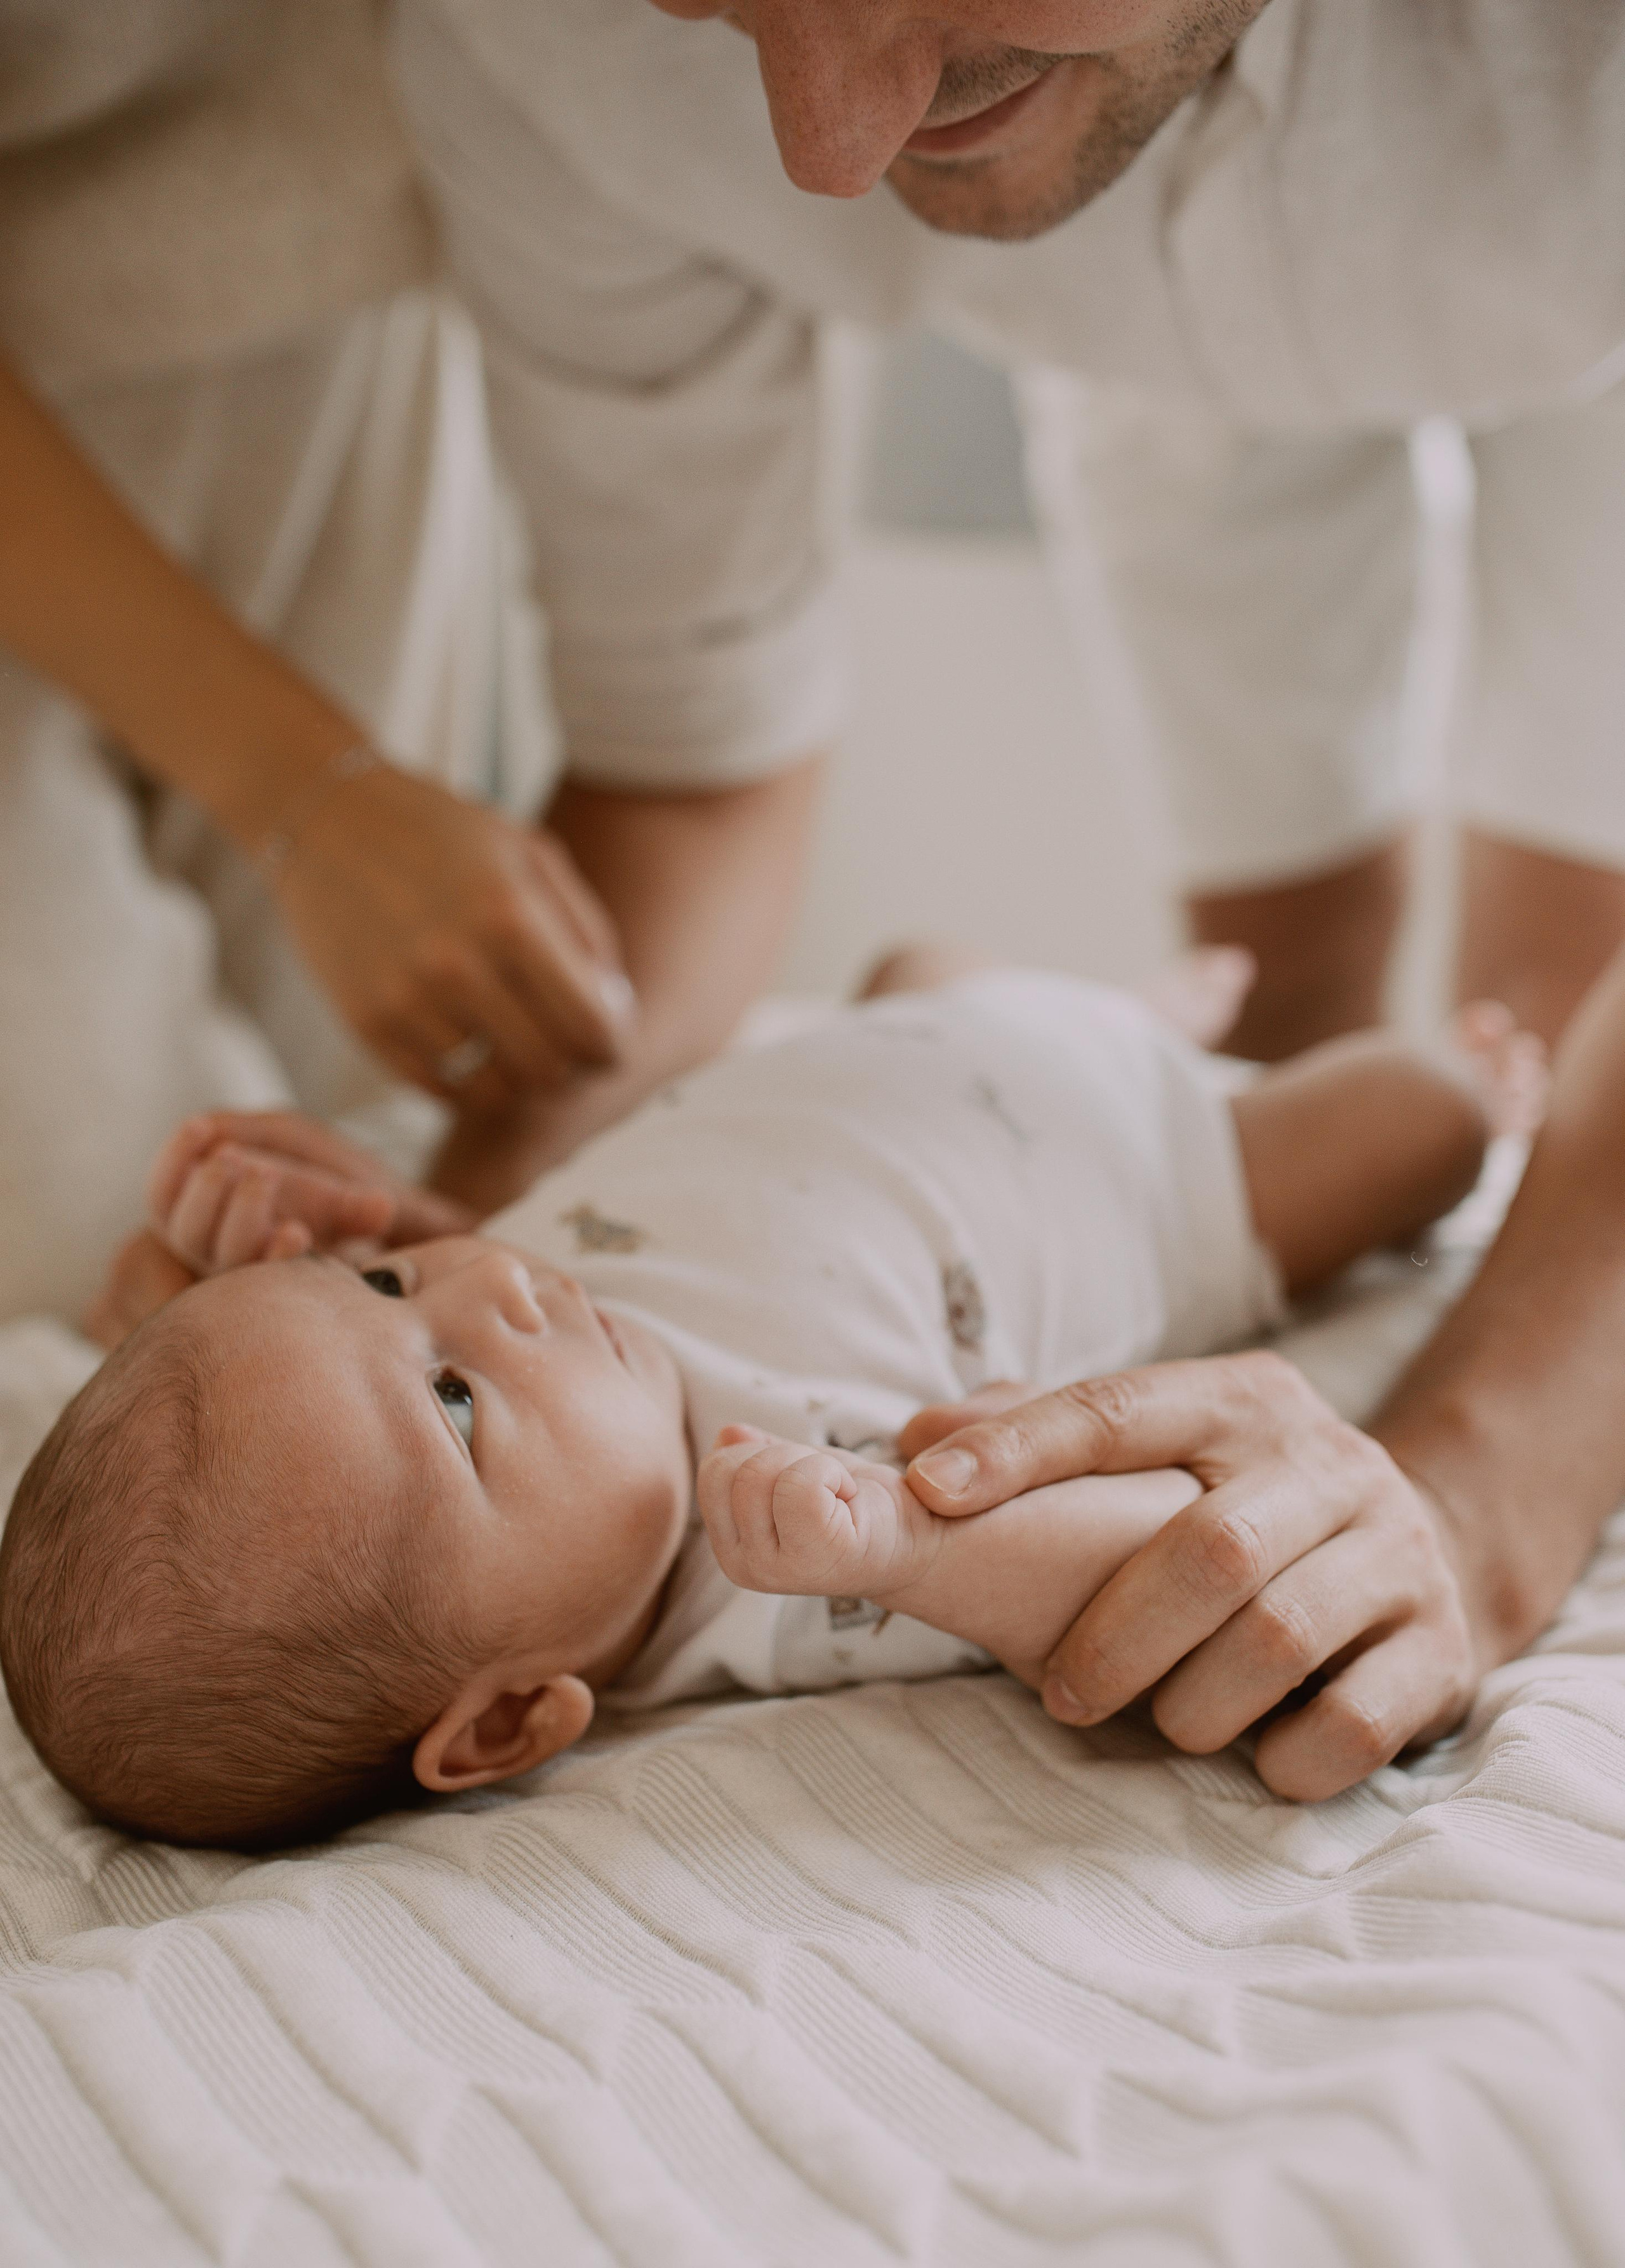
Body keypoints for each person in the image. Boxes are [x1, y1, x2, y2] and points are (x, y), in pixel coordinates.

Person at [376, 0, 1625, 1794]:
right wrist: (465, 1214)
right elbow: (691, 749)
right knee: (1284, 991)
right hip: (1153, 330)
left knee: (1543, 1009)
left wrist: (1474, 1486)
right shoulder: (536, 42)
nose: (829, 144)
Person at [0, 946, 1537, 1845]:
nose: (493, 1283)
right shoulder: (774, 1555)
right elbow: (1128, 1561)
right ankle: (1392, 1073)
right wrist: (910, 1546)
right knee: (1418, 1123)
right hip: (1159, 1170)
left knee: (911, 972)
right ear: (513, 1716)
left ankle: (1078, 986)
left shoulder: (538, 1321)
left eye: (387, 1295)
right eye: (457, 1400)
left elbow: (459, 1285)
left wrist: (378, 1225)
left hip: (892, 1052)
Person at [0, 0, 818, 1327]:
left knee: (338, 1148)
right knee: (92, 1256)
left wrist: (461, 1241)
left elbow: (707, 747)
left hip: (319, 300)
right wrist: (305, 791)